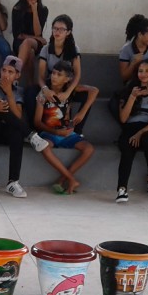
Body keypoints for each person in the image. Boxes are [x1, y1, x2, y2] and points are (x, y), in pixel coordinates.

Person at [0, 55, 45, 198]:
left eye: (10, 72)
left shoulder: (18, 91)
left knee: (16, 134)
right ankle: (31, 135)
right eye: (4, 70)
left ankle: (12, 182)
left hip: (5, 131)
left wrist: (9, 93)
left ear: (17, 75)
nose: (6, 74)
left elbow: (18, 117)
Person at [33, 60, 96, 196]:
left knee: (89, 149)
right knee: (44, 147)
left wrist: (82, 111)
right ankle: (71, 179)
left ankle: (62, 180)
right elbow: (37, 122)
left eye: (59, 74)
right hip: (49, 133)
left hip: (67, 134)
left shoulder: (70, 91)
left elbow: (94, 90)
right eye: (53, 73)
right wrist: (56, 132)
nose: (54, 77)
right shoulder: (44, 94)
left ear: (67, 79)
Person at [32, 14, 95, 136]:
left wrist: (68, 92)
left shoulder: (74, 48)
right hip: (51, 84)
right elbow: (40, 76)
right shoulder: (46, 49)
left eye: (61, 29)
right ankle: (36, 130)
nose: (57, 32)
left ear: (68, 32)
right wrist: (45, 89)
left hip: (67, 85)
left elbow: (77, 75)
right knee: (30, 93)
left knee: (86, 96)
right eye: (55, 28)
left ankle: (77, 131)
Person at [116, 59, 148, 203]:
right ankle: (122, 188)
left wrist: (140, 133)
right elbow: (123, 118)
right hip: (130, 127)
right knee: (127, 148)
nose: (144, 74)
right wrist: (132, 96)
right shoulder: (127, 91)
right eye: (140, 71)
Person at [10, 0, 47, 87]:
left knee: (29, 42)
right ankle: (30, 85)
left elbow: (38, 32)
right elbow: (18, 35)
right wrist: (37, 38)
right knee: (30, 51)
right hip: (19, 43)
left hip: (36, 43)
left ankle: (15, 76)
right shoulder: (17, 9)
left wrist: (35, 11)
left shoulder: (43, 10)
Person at [119, 14, 148, 84]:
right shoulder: (126, 49)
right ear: (140, 35)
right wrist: (133, 63)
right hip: (133, 86)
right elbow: (124, 77)